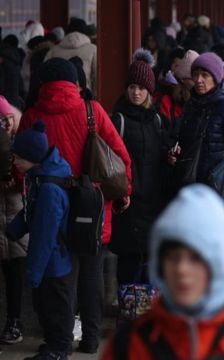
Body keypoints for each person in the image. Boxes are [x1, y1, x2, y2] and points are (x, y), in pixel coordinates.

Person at [18, 57, 133, 354]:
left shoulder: (32, 115)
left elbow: (22, 165)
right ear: (73, 81)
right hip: (91, 203)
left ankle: (61, 339)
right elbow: (119, 156)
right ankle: (92, 339)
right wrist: (123, 192)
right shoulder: (91, 110)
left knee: (63, 276)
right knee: (93, 273)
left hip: (51, 204)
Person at [101, 184, 224, 359]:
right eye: (172, 257)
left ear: (220, 263)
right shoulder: (130, 345)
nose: (182, 269)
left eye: (196, 258)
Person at [8, 121, 73, 360]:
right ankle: (55, 345)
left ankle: (58, 350)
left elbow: (45, 237)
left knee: (54, 309)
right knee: (47, 307)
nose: (14, 161)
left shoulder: (48, 189)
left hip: (54, 262)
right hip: (51, 260)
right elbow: (31, 214)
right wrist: (13, 229)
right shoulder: (40, 177)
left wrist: (33, 274)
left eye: (17, 157)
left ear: (32, 157)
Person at [109, 49, 168, 293]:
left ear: (149, 92)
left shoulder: (157, 120)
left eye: (141, 88)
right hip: (128, 203)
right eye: (132, 86)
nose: (136, 92)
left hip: (153, 202)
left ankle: (146, 312)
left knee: (152, 259)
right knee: (129, 258)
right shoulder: (118, 120)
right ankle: (127, 308)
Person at [168, 52, 224, 187]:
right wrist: (174, 150)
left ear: (216, 78)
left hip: (216, 185)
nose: (198, 80)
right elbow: (179, 135)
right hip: (189, 181)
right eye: (195, 74)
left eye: (205, 75)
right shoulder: (192, 103)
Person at [0, 97, 27, 347]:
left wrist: (16, 180)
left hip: (15, 215)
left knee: (15, 274)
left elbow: (28, 176)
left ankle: (15, 320)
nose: (5, 123)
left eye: (7, 118)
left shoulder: (23, 141)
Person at [45, 17, 97, 93]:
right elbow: (97, 78)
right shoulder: (93, 49)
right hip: (84, 98)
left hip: (57, 96)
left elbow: (45, 74)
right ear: (85, 32)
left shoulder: (53, 50)